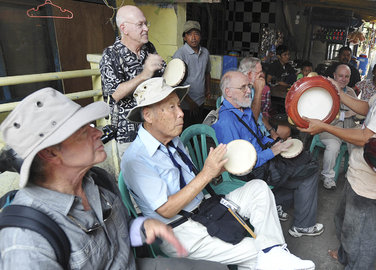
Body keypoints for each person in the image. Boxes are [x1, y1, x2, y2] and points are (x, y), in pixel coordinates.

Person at [0, 88, 226, 270]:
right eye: (83, 131)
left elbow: (119, 229)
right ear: (50, 153)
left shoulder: (98, 181)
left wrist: (143, 225)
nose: (98, 132)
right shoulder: (25, 242)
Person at [121, 77, 314, 270]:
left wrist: (215, 170)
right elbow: (166, 209)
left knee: (259, 188)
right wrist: (206, 173)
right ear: (148, 115)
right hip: (180, 229)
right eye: (171, 108)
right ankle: (271, 255)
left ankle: (273, 252)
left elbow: (194, 182)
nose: (181, 113)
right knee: (255, 251)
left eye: (178, 106)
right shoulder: (136, 159)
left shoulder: (173, 140)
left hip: (205, 208)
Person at [299, 22, 376, 269]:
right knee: (343, 218)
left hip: (373, 179)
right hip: (361, 170)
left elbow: (367, 136)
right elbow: (368, 108)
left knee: (361, 233)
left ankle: (356, 263)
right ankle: (346, 255)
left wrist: (323, 126)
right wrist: (337, 92)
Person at [213, 71, 324, 238]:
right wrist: (272, 152)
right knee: (310, 170)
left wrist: (276, 143)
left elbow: (257, 137)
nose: (248, 91)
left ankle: (277, 202)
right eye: (242, 87)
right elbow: (240, 165)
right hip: (253, 172)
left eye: (248, 86)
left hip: (262, 159)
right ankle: (303, 225)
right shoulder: (226, 121)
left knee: (304, 157)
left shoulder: (244, 110)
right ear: (228, 92)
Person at [100, 5, 165, 154]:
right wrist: (144, 75)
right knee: (135, 176)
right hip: (129, 133)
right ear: (124, 28)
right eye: (139, 24)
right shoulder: (111, 55)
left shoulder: (149, 48)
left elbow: (162, 73)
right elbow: (114, 94)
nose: (146, 29)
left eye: (145, 23)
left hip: (154, 126)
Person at [319, 64, 357, 190]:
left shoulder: (351, 92)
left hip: (348, 129)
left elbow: (357, 112)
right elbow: (325, 114)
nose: (343, 79)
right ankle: (328, 177)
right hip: (330, 130)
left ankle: (352, 174)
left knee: (359, 143)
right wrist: (345, 115)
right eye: (340, 76)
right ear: (334, 76)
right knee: (333, 146)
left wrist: (352, 114)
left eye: (347, 76)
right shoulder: (326, 90)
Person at [238, 57, 291, 140]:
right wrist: (259, 90)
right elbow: (252, 121)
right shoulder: (239, 91)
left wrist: (271, 130)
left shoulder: (251, 87)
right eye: (259, 72)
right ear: (249, 74)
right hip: (251, 134)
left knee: (286, 131)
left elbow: (260, 115)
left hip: (261, 127)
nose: (262, 75)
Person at [173, 20, 211, 128]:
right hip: (186, 104)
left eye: (196, 34)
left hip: (201, 101)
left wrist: (207, 90)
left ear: (200, 36)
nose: (193, 38)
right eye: (189, 34)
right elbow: (176, 83)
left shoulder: (205, 53)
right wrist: (190, 102)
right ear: (184, 37)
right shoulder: (180, 55)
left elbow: (207, 73)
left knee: (197, 130)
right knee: (186, 132)